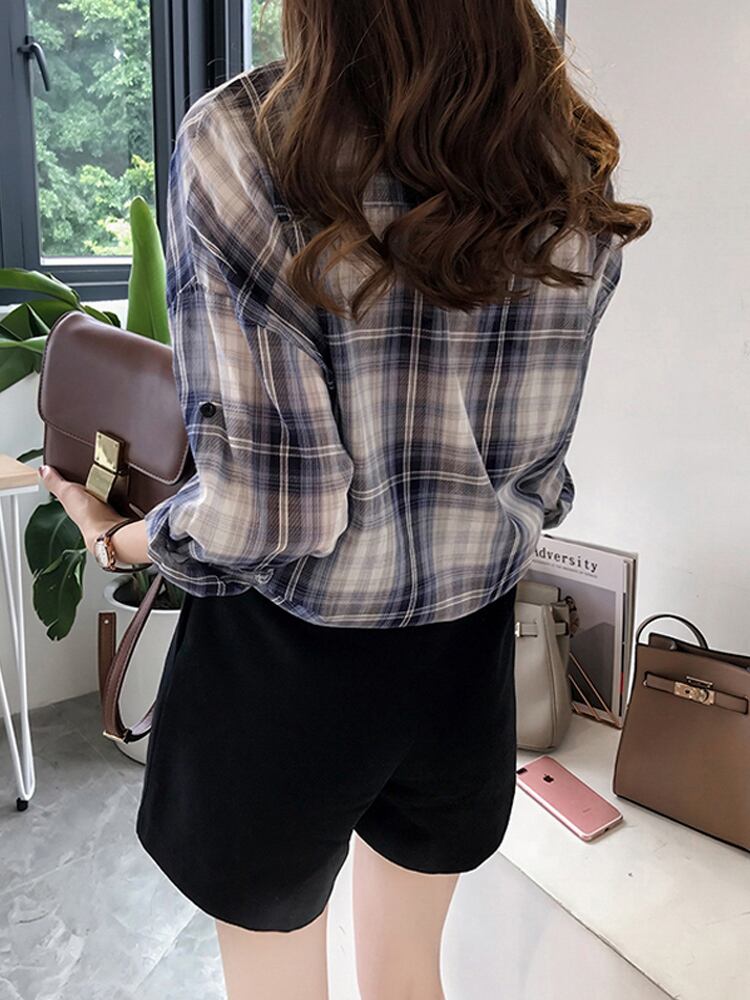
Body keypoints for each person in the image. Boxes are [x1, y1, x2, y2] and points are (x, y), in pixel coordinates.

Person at [40, 1, 652, 997]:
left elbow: (266, 515)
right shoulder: (564, 156)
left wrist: (118, 540)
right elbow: (539, 474)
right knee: (409, 974)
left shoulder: (247, 140)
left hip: (285, 668)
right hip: (465, 653)